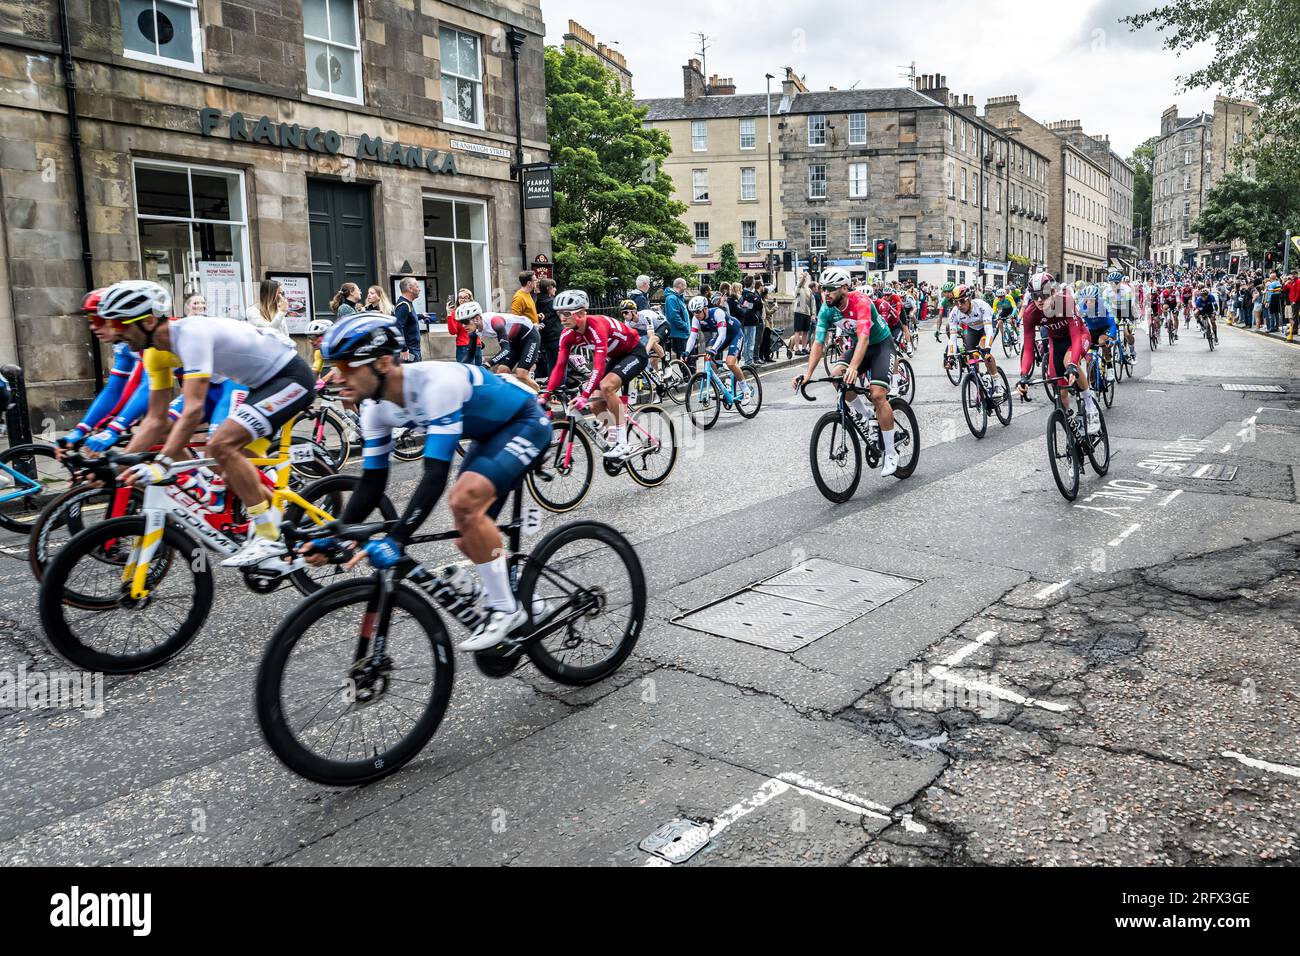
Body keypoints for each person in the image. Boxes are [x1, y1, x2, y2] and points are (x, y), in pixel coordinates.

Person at [310, 313, 551, 651]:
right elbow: (373, 483)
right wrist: (334, 533)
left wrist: (396, 539)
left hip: (524, 421)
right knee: (470, 538)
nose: (337, 377)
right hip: (488, 433)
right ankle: (528, 600)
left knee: (464, 502)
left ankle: (506, 610)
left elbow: (434, 475)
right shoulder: (374, 409)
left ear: (382, 363)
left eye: (347, 367)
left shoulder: (434, 386)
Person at [102, 279, 317, 568]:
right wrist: (118, 463)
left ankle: (267, 536)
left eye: (121, 325)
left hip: (290, 378)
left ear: (149, 321)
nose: (117, 334)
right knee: (231, 473)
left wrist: (162, 462)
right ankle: (284, 534)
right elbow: (155, 419)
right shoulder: (154, 354)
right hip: (261, 385)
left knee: (220, 445)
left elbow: (192, 410)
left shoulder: (191, 334)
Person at [793, 266, 900, 477]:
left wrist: (853, 367)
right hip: (859, 347)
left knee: (878, 394)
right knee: (836, 376)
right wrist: (808, 375)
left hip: (880, 345)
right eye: (824, 289)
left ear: (844, 287)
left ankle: (890, 452)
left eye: (830, 289)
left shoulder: (860, 302)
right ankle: (865, 414)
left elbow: (864, 338)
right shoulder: (826, 308)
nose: (826, 294)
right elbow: (818, 344)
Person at [540, 290, 647, 460]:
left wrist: (583, 395)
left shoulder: (597, 326)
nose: (562, 318)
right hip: (616, 357)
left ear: (581, 313)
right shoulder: (567, 334)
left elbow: (598, 365)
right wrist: (545, 396)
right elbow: (559, 367)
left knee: (606, 387)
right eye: (559, 313)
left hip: (634, 353)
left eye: (567, 313)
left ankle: (623, 443)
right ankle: (612, 436)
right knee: (595, 403)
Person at [1016, 272, 1099, 436]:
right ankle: (1071, 425)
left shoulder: (1065, 302)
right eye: (1035, 295)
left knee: (1069, 361)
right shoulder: (1030, 313)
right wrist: (1024, 375)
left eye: (1044, 294)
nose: (1040, 300)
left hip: (1079, 336)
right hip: (1057, 342)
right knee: (1061, 390)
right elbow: (1028, 348)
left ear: (1053, 292)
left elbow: (1075, 336)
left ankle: (1090, 405)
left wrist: (1074, 364)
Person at [684, 294, 749, 400]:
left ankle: (746, 390)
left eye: (698, 311)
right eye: (693, 312)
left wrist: (714, 350)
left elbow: (722, 335)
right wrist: (686, 352)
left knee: (730, 362)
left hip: (735, 333)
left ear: (705, 309)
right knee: (707, 357)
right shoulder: (696, 318)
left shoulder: (717, 313)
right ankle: (720, 386)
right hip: (722, 336)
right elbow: (692, 336)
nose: (696, 315)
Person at [478, 301, 542, 392]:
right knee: (502, 371)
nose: (464, 325)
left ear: (476, 319)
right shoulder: (474, 328)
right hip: (514, 342)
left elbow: (505, 349)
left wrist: (487, 364)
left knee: (521, 374)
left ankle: (542, 401)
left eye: (465, 322)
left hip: (529, 337)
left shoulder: (495, 321)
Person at [535, 277, 561, 379]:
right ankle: (559, 386)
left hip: (545, 336)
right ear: (549, 288)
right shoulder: (553, 302)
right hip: (556, 335)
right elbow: (561, 316)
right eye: (554, 287)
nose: (555, 289)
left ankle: (552, 383)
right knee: (560, 363)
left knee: (551, 362)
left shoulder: (537, 301)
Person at [394, 277, 423, 362]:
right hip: (409, 351)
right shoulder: (404, 305)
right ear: (410, 288)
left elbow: (409, 319)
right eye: (417, 286)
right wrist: (403, 349)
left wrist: (421, 316)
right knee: (413, 374)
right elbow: (398, 327)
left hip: (413, 349)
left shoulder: (407, 304)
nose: (419, 289)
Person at [663, 278, 690, 358]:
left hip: (682, 333)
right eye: (685, 285)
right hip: (679, 334)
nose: (686, 288)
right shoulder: (672, 298)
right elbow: (674, 317)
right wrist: (685, 326)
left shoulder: (677, 297)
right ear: (680, 285)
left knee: (685, 358)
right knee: (683, 358)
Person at [792, 272, 813, 356]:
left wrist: (813, 313)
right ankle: (797, 349)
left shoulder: (809, 290)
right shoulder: (797, 288)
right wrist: (803, 277)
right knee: (797, 331)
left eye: (803, 278)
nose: (802, 279)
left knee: (806, 331)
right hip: (798, 311)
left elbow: (812, 302)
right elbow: (800, 284)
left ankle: (804, 348)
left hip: (807, 312)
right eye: (800, 277)